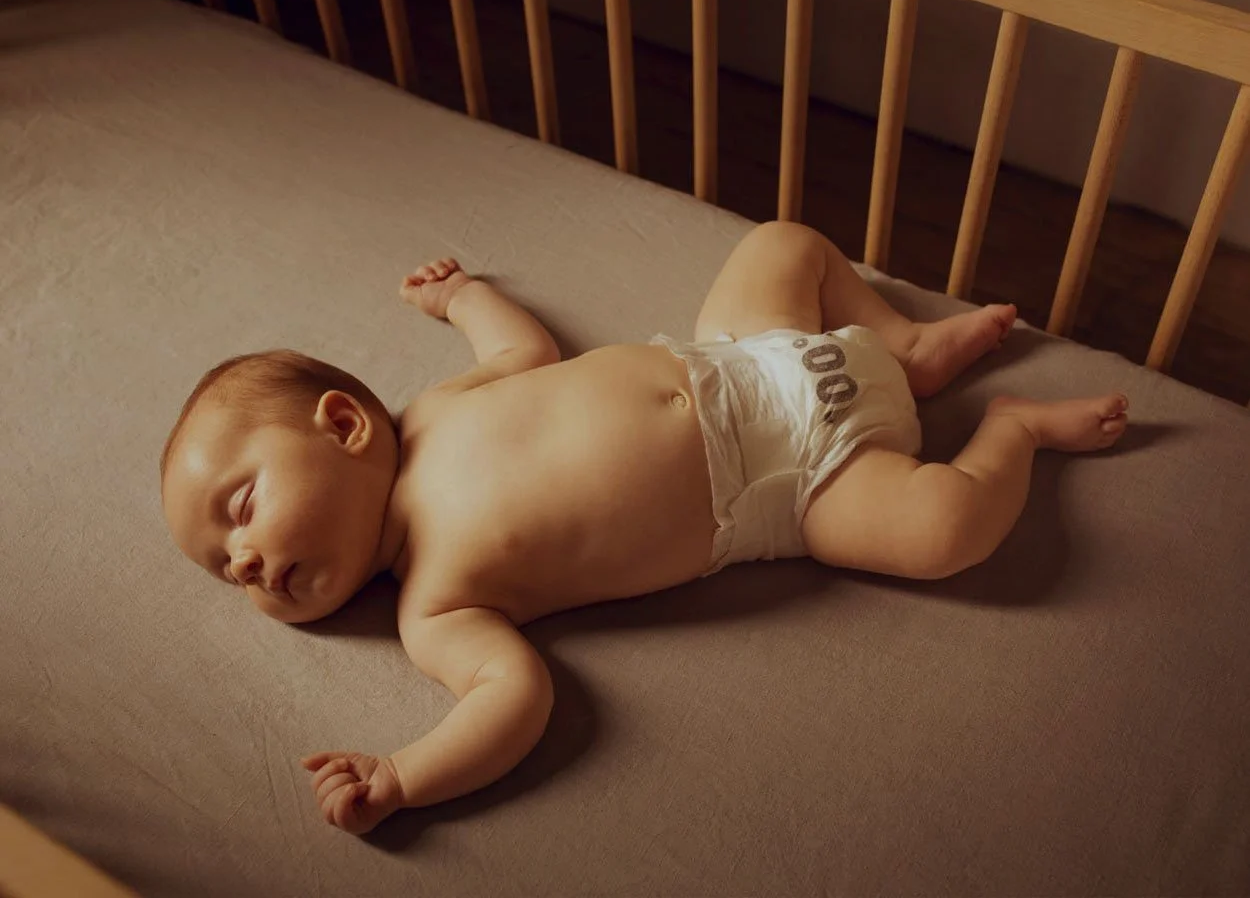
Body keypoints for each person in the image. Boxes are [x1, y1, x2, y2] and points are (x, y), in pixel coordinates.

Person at [160, 220, 1128, 834]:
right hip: (792, 485)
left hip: (742, 354)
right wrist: (405, 775)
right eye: (221, 567)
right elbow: (513, 698)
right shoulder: (432, 604)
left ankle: (907, 351)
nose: (242, 559)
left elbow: (520, 348)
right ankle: (1011, 434)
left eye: (239, 511)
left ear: (341, 423)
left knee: (780, 245)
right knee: (944, 529)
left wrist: (458, 296)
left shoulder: (438, 409)